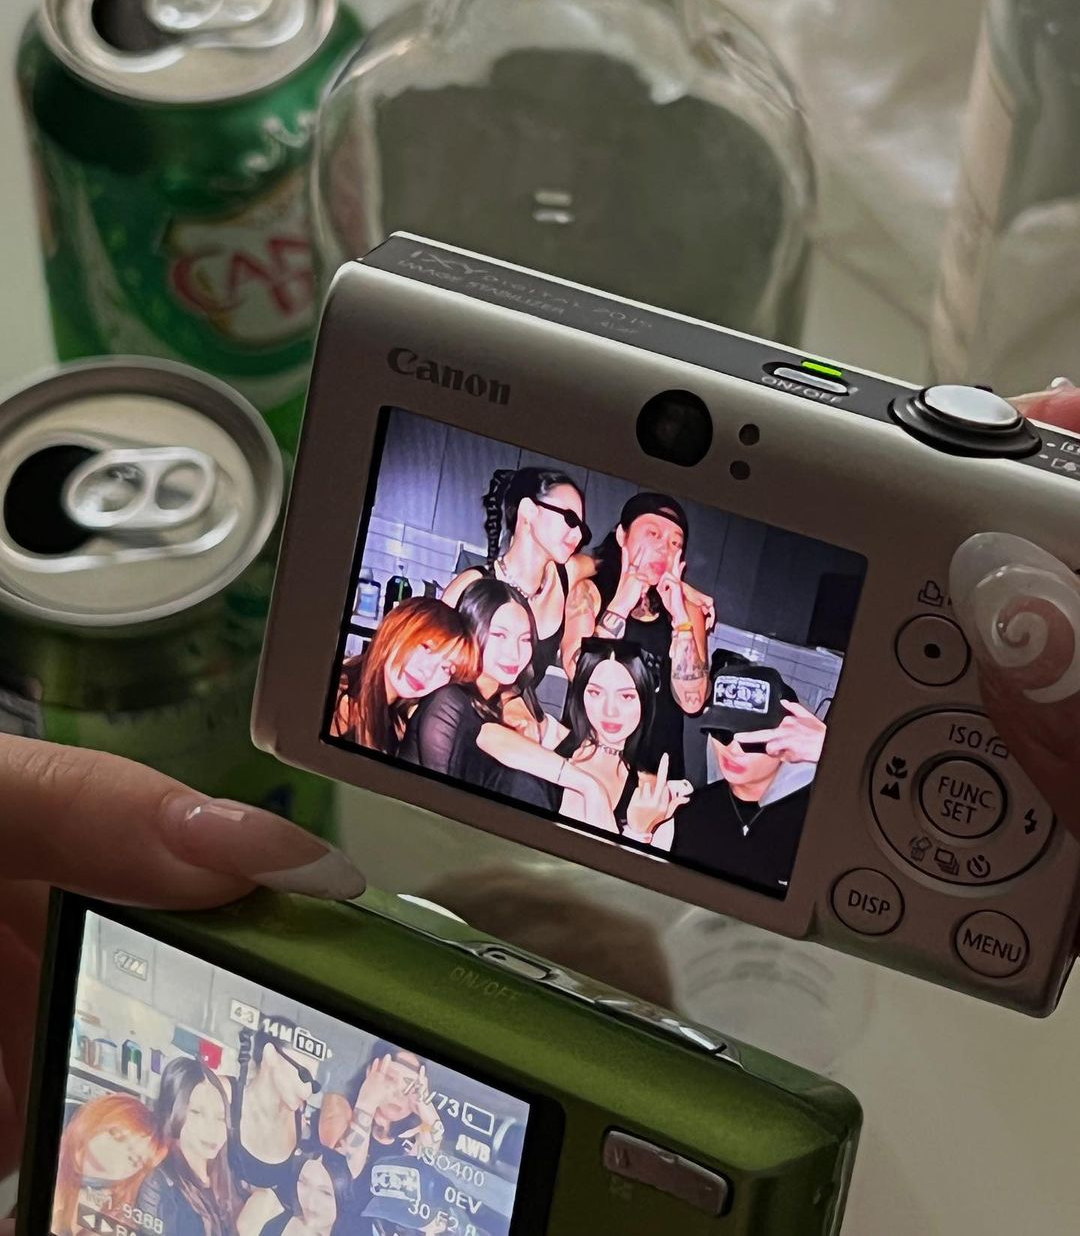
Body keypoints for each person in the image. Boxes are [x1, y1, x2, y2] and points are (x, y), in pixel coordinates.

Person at [3, 387, 1080, 1234]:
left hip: (633, 771)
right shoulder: (525, 622)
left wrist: (668, 656)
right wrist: (583, 743)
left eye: (661, 538)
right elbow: (506, 703)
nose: (642, 545)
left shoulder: (675, 618)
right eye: (619, 528)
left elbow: (670, 704)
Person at [399, 579, 612, 822]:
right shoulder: (449, 701)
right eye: (500, 635)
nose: (514, 653)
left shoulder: (503, 704)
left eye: (524, 639)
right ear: (472, 630)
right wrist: (587, 785)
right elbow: (436, 813)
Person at [562, 493, 710, 775]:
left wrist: (681, 619)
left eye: (675, 543)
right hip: (587, 768)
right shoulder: (589, 593)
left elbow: (692, 702)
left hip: (653, 778)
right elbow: (575, 670)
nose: (663, 548)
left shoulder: (687, 610)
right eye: (652, 534)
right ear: (622, 535)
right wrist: (620, 605)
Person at [658, 652, 826, 893]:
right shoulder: (689, 811)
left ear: (787, 744)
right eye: (722, 733)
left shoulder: (816, 823)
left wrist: (832, 751)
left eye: (752, 740)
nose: (733, 749)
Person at [441, 467, 591, 686]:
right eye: (570, 518)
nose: (577, 534)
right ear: (528, 511)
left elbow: (608, 564)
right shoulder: (470, 585)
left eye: (583, 529)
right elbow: (432, 667)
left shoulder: (566, 575)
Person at [551, 638, 693, 839]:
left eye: (626, 696)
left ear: (644, 699)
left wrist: (639, 833)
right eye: (596, 692)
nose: (610, 710)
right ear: (581, 693)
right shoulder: (548, 741)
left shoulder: (653, 794)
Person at [331, 598, 479, 750]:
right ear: (396, 629)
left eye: (446, 668)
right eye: (426, 647)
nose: (428, 671)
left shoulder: (400, 721)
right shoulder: (339, 701)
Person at [316, 1043, 445, 1210]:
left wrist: (431, 1119)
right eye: (391, 1079)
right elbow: (343, 1172)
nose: (399, 1094)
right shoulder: (339, 1107)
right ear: (371, 1072)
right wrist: (367, 1102)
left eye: (411, 1087)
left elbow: (411, 1195)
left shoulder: (414, 1137)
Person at [137, 1057, 241, 1236]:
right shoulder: (158, 1183)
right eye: (197, 1112)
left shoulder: (225, 1175)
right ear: (172, 1113)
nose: (212, 1129)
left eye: (220, 1117)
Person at [51, 1095, 164, 1236]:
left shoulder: (115, 1215)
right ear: (95, 1119)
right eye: (117, 1136)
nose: (120, 1154)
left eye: (135, 1159)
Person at [229, 1022, 321, 1194]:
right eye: (303, 1074)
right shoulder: (225, 1096)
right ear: (270, 1055)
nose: (308, 1091)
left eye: (313, 1084)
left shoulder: (300, 1123)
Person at [236, 1145, 353, 1236]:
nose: (310, 1201)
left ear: (342, 1197)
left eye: (325, 1192)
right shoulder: (268, 1208)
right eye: (303, 1182)